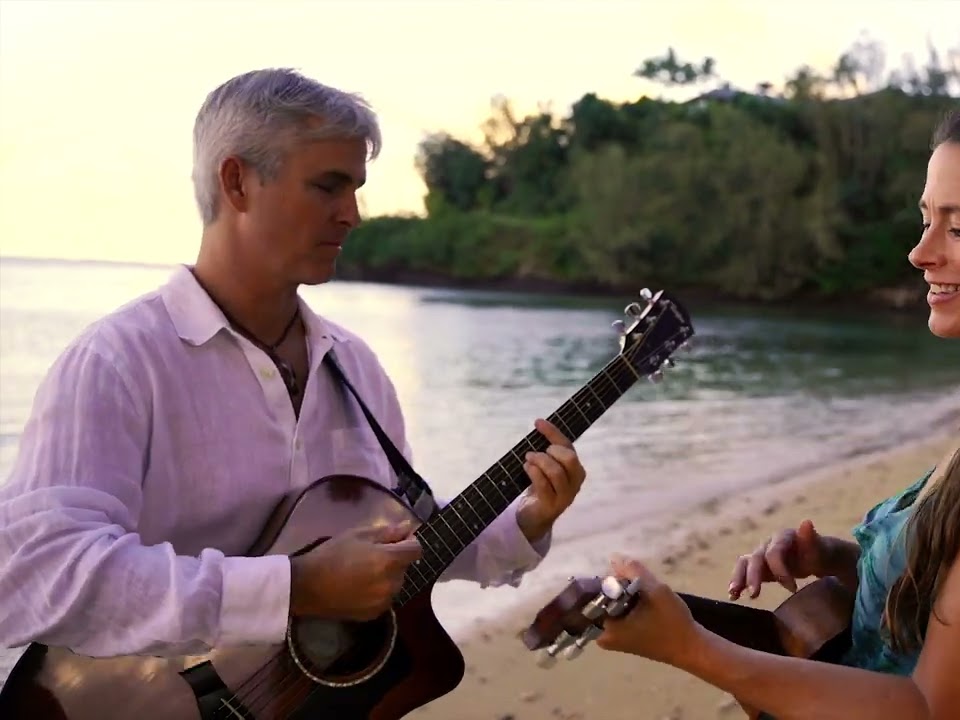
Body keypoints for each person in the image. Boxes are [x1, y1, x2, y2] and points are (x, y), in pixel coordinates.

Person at [593, 97, 960, 719]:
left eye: (959, 229)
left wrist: (689, 647)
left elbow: (934, 709)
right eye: (925, 220)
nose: (921, 253)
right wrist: (849, 562)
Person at [0, 68, 587, 673]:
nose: (352, 215)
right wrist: (293, 587)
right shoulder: (117, 363)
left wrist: (527, 520)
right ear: (237, 182)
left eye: (355, 189)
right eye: (328, 186)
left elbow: (401, 543)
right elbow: (34, 574)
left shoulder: (356, 367)